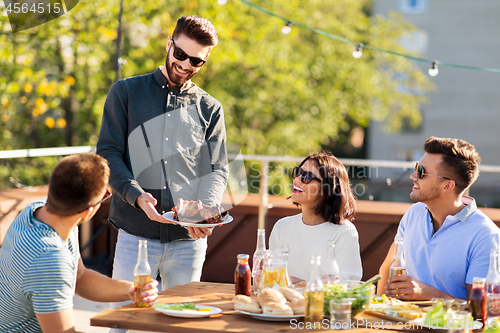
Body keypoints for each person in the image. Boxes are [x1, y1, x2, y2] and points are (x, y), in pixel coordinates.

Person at [96, 14, 228, 298]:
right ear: (169, 43)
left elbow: (216, 169)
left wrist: (204, 213)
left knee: (179, 324)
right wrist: (137, 195)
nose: (184, 64)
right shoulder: (125, 92)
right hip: (135, 235)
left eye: (196, 61)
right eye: (180, 54)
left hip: (188, 242)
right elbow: (107, 153)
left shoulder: (211, 108)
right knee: (123, 321)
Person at [0, 154, 158, 333]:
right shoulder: (50, 259)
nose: (107, 196)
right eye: (105, 195)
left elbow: (79, 277)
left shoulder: (36, 210)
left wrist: (131, 289)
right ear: (88, 211)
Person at [378, 136, 500, 300]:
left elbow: (479, 312)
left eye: (422, 171)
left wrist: (428, 294)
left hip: (450, 326)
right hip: (403, 322)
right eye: (416, 167)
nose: (413, 175)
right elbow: (386, 269)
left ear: (447, 185)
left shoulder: (485, 236)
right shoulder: (414, 213)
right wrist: (378, 314)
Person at [269, 151, 363, 283]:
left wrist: (296, 283)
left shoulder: (345, 232)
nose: (297, 179)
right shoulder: (281, 226)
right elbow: (271, 278)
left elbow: (346, 286)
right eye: (298, 172)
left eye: (306, 176)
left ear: (327, 189)